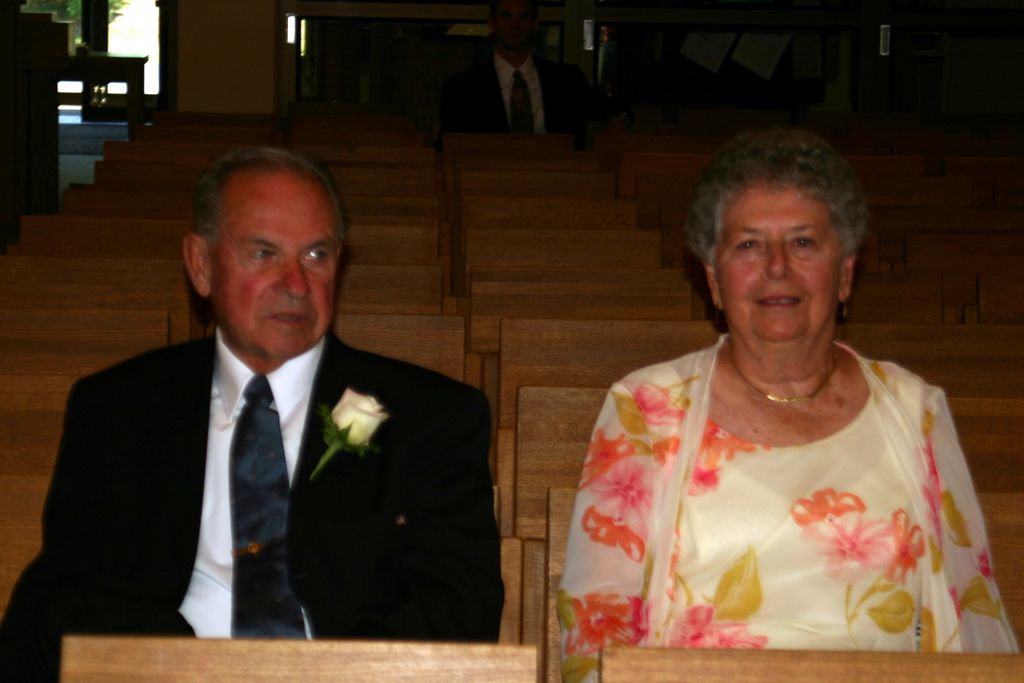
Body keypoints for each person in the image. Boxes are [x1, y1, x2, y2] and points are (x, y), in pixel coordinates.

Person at [0, 147, 504, 682]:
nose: (296, 284)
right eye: (263, 253)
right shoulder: (119, 408)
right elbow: (62, 597)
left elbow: (459, 610)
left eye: (316, 256)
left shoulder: (430, 416)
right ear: (200, 264)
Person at [557, 129, 1018, 681]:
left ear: (845, 274)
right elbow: (597, 629)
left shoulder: (913, 408)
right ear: (713, 279)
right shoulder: (646, 410)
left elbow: (971, 613)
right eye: (748, 244)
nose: (777, 267)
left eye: (803, 243)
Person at [437, 0, 629, 149]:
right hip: (487, 185)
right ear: (492, 23)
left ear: (535, 23)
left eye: (524, 16)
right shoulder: (462, 88)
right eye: (506, 16)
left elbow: (612, 107)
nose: (515, 24)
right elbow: (447, 148)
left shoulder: (566, 80)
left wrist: (619, 120)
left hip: (560, 181)